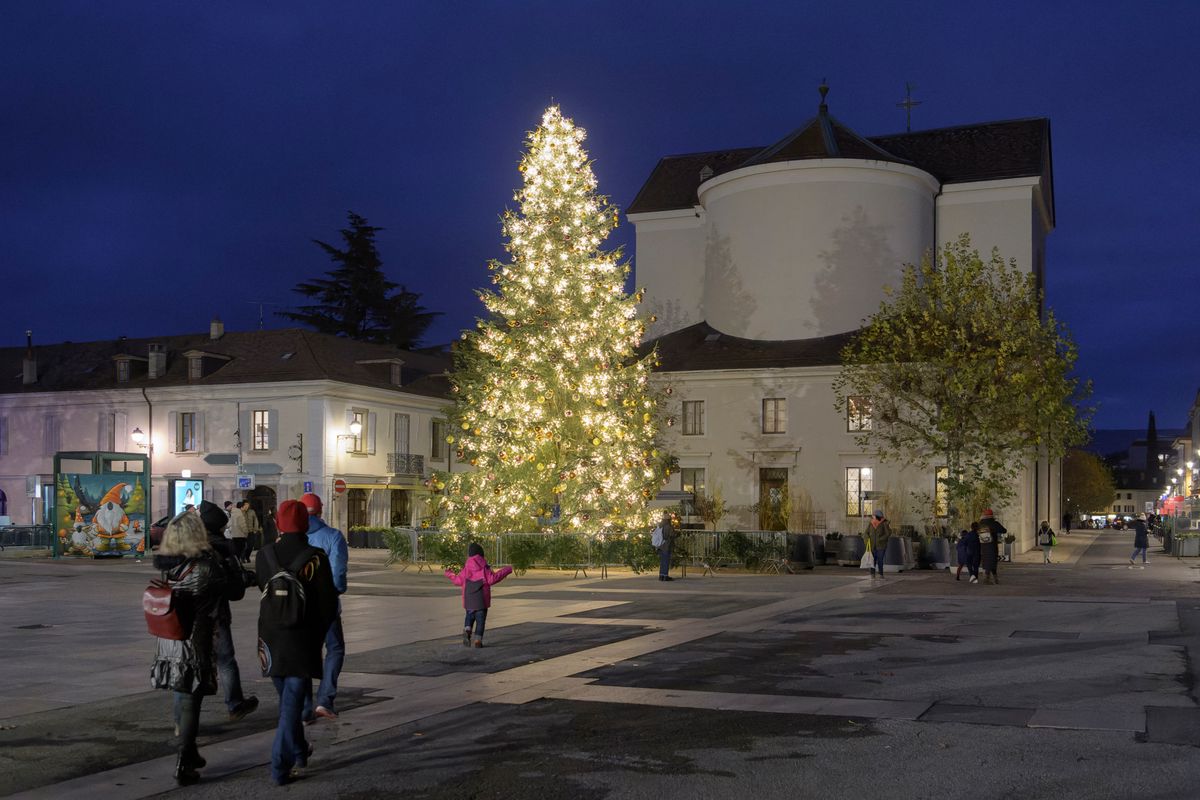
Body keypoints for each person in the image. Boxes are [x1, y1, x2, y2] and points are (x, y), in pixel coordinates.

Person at [256, 500, 338, 786]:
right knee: (290, 705)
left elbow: (262, 589)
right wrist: (316, 636)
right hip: (302, 638)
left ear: (279, 523)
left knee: (288, 699)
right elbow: (328, 604)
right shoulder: (315, 558)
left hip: (270, 638)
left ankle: (300, 750)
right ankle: (280, 766)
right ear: (305, 524)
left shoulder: (264, 555)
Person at [150, 511, 228, 785]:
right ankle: (184, 762)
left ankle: (191, 751)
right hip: (194, 641)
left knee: (180, 693)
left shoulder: (168, 565)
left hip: (168, 639)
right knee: (190, 700)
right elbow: (232, 589)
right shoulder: (206, 567)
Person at [196, 502, 259, 724]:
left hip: (185, 616)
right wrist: (250, 579)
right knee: (225, 659)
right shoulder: (222, 550)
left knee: (188, 663)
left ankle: (182, 719)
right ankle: (234, 703)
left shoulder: (183, 546)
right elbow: (235, 589)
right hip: (214, 616)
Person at [299, 492, 347, 724]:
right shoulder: (333, 537)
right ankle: (325, 700)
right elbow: (338, 577)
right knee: (335, 648)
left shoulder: (293, 538)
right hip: (326, 607)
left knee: (307, 652)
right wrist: (335, 592)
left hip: (299, 608)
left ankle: (305, 707)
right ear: (320, 511)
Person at [445, 542, 513, 647]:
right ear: (481, 554)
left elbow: (458, 581)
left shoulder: (466, 569)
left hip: (469, 600)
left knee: (469, 617)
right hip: (481, 601)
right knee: (480, 621)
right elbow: (492, 579)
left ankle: (467, 629)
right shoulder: (484, 568)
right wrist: (507, 570)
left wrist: (449, 573)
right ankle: (478, 640)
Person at [979, 508, 1006, 584]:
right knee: (992, 561)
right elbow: (1004, 530)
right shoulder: (994, 523)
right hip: (992, 545)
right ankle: (990, 579)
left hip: (983, 545)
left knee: (986, 561)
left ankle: (989, 578)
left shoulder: (980, 523)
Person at [864, 509, 892, 579]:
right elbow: (866, 533)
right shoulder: (871, 523)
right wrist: (867, 539)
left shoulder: (884, 523)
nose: (872, 516)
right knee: (872, 560)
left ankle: (881, 574)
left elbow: (888, 533)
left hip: (881, 546)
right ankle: (872, 574)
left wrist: (881, 539)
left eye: (874, 515)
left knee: (880, 560)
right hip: (872, 545)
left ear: (877, 516)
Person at [654, 510, 677, 581]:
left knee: (662, 561)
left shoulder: (660, 525)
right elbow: (672, 535)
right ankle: (665, 576)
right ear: (668, 520)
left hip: (660, 545)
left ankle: (661, 576)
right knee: (666, 561)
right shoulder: (668, 526)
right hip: (666, 546)